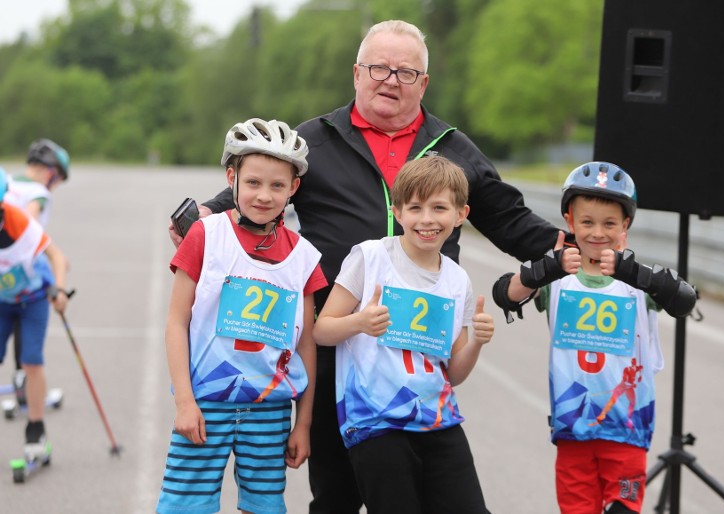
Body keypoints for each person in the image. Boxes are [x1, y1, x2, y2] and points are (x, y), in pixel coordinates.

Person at [174, 20, 561, 513]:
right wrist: (209, 211)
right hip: (337, 338)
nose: (390, 80)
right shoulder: (317, 137)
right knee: (337, 494)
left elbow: (509, 219)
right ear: (356, 73)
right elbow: (263, 184)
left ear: (424, 83)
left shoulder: (453, 148)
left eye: (405, 72)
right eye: (379, 67)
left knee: (417, 493)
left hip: (418, 351)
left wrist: (570, 244)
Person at [491, 161, 697, 514]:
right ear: (570, 222)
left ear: (625, 226)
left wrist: (636, 273)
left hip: (627, 429)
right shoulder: (560, 279)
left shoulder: (636, 282)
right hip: (574, 429)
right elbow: (504, 294)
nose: (597, 232)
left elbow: (685, 299)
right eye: (587, 222)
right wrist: (544, 268)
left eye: (609, 224)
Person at [156, 118, 326, 514]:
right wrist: (184, 401)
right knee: (185, 506)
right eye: (252, 182)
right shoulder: (205, 235)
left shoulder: (303, 257)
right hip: (205, 403)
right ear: (231, 178)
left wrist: (303, 423)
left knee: (264, 506)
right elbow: (176, 323)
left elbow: (305, 344)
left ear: (293, 188)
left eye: (277, 185)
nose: (264, 195)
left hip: (269, 408)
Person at [313, 156, 494, 513]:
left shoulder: (457, 280)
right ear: (397, 212)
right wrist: (360, 322)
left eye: (439, 208)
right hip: (377, 421)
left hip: (438, 418)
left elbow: (453, 373)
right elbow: (322, 330)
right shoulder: (371, 256)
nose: (427, 219)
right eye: (415, 208)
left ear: (460, 214)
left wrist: (475, 342)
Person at [0, 167, 70, 460]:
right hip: (3, 301)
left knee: (30, 360)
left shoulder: (20, 222)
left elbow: (57, 258)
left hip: (33, 299)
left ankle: (36, 429)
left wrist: (61, 290)